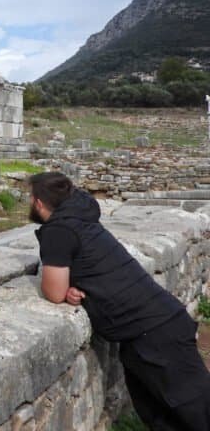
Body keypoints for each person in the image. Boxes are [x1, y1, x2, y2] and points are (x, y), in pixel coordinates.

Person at [28, 172, 210, 430]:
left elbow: (53, 292)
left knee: (199, 414)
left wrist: (63, 289)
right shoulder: (81, 221)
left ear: (37, 202)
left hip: (157, 335)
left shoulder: (59, 230)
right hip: (151, 331)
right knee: (163, 418)